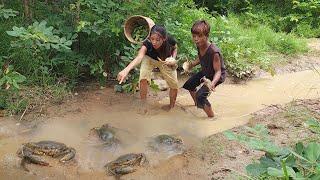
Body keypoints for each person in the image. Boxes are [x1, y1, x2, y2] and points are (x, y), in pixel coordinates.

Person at [117, 25, 178, 110]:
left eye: (157, 40)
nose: (154, 42)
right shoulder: (147, 43)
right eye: (152, 39)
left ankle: (171, 106)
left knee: (174, 85)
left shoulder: (170, 40)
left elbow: (175, 48)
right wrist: (126, 70)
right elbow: (139, 57)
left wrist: (173, 58)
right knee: (143, 78)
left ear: (164, 39)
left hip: (165, 61)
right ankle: (143, 105)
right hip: (148, 58)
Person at [182, 20, 226, 118]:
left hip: (215, 75)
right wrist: (192, 64)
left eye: (200, 36)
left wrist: (212, 83)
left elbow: (218, 71)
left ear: (207, 36)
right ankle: (198, 104)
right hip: (206, 71)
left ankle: (211, 117)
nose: (196, 39)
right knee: (189, 85)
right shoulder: (199, 45)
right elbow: (201, 57)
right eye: (194, 36)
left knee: (201, 95)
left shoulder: (214, 52)